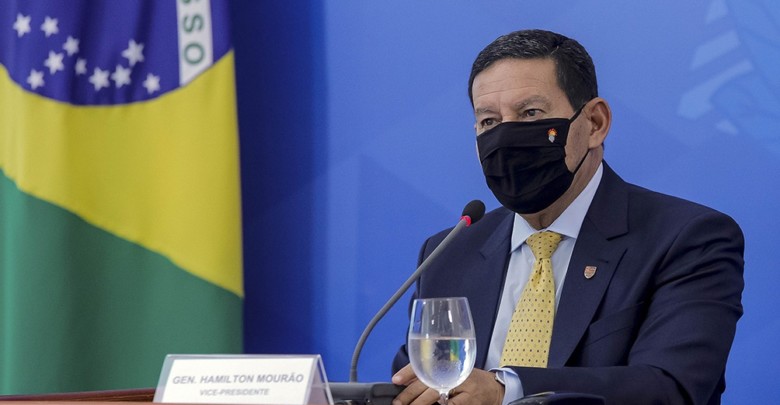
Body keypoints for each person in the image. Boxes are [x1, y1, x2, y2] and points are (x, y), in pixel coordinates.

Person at [391, 29, 744, 405]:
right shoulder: (450, 252)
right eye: (489, 122)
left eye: (530, 113)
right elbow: (416, 385)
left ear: (595, 123)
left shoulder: (687, 238)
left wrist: (506, 390)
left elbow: (671, 388)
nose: (506, 137)